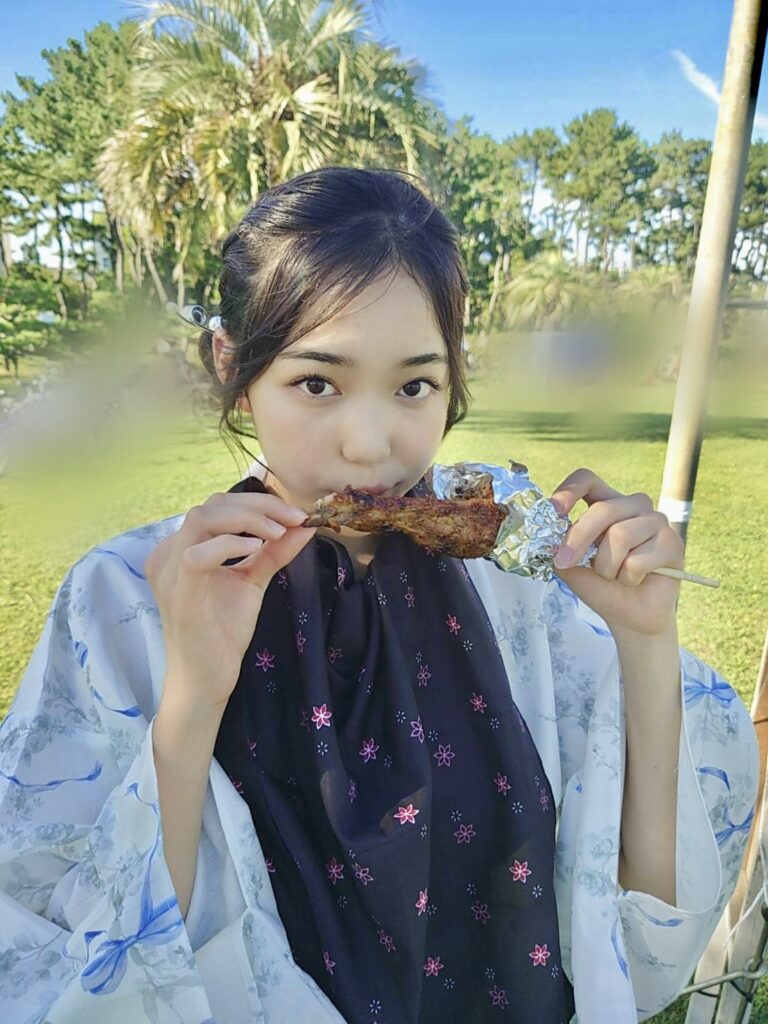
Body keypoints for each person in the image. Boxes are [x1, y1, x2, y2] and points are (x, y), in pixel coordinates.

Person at [0, 166, 758, 1024]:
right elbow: (95, 975)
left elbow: (645, 935)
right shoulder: (123, 599)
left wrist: (646, 642)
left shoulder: (520, 589)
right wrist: (193, 696)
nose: (370, 446)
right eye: (317, 382)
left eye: (413, 386)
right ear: (233, 367)